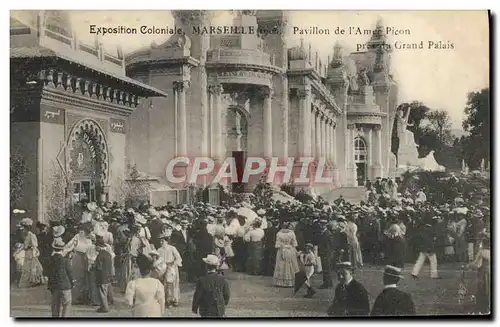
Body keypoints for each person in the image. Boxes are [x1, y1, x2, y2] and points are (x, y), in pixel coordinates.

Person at [47, 239, 73, 317]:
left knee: (55, 306)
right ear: (62, 249)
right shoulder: (66, 260)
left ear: (54, 248)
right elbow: (70, 273)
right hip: (65, 286)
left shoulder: (50, 259)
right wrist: (72, 283)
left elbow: (49, 273)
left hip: (54, 286)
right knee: (67, 304)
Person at [157, 231, 183, 308]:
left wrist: (174, 263)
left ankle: (174, 299)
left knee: (172, 284)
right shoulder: (159, 250)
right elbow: (158, 260)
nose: (161, 242)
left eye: (163, 240)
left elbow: (178, 257)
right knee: (164, 284)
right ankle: (166, 300)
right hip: (163, 268)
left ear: (166, 241)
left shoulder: (172, 248)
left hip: (172, 268)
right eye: (160, 240)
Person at [18, 218, 45, 288]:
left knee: (31, 266)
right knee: (27, 267)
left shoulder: (31, 235)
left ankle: (34, 280)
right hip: (27, 252)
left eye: (24, 228)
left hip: (31, 252)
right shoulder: (26, 235)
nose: (23, 230)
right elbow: (25, 245)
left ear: (27, 228)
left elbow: (35, 245)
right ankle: (32, 280)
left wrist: (30, 248)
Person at [467, 233, 490, 314]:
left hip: (484, 275)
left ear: (482, 243)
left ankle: (482, 309)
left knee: (481, 292)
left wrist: (469, 265)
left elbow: (476, 265)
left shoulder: (482, 252)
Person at [273, 222, 300, 287]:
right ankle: (289, 282)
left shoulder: (279, 233)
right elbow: (295, 244)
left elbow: (277, 245)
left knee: (281, 265)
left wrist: (282, 246)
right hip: (290, 250)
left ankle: (280, 282)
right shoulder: (292, 233)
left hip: (281, 250)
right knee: (290, 265)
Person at [95, 238, 114, 313]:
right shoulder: (108, 254)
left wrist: (94, 266)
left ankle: (105, 308)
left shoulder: (99, 255)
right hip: (108, 275)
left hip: (102, 276)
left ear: (99, 246)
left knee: (102, 293)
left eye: (96, 246)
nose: (95, 248)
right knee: (106, 291)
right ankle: (105, 305)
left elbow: (99, 267)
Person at [316, 219, 334, 289]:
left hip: (326, 253)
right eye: (321, 224)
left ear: (325, 225)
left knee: (326, 268)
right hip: (324, 253)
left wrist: (329, 252)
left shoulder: (327, 233)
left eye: (323, 224)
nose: (322, 225)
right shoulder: (323, 232)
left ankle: (326, 283)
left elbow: (331, 244)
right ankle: (328, 282)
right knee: (325, 268)